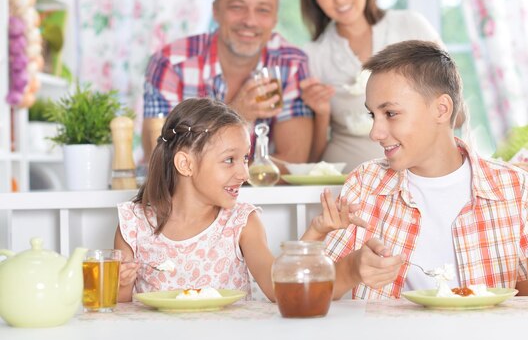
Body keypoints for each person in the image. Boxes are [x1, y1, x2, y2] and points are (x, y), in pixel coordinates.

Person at [325, 40, 528, 300]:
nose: (376, 132)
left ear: (442, 109)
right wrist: (350, 270)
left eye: (391, 114)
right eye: (373, 115)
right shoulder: (365, 184)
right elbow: (314, 286)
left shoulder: (515, 189)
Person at [116, 98, 361, 302]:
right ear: (185, 164)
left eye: (245, 158)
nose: (244, 174)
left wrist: (316, 231)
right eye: (229, 160)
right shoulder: (133, 224)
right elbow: (121, 310)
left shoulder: (241, 222)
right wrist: (122, 285)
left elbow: (279, 289)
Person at [142, 0, 313, 166]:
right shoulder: (171, 63)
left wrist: (209, 162)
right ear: (216, 11)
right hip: (186, 199)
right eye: (237, 7)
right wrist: (237, 114)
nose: (250, 21)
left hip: (267, 197)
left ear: (275, 18)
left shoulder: (290, 64)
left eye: (263, 10)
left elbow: (292, 162)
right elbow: (164, 160)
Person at [298, 0, 443, 171]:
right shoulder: (313, 55)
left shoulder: (410, 25)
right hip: (347, 178)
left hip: (417, 172)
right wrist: (322, 112)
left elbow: (454, 108)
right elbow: (312, 159)